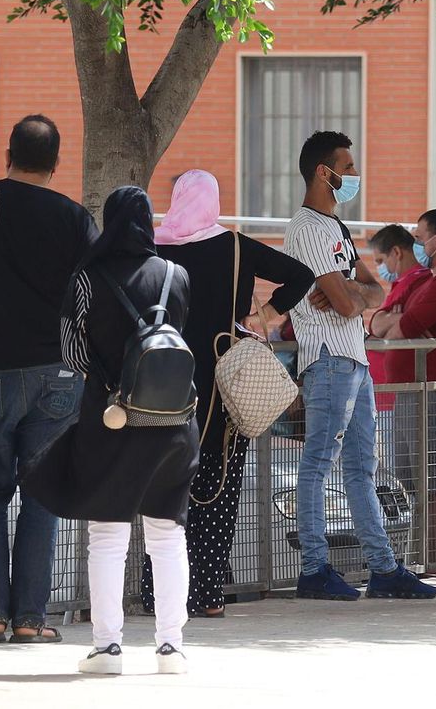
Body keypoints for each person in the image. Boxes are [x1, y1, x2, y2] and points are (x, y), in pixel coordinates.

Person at [23, 186, 198, 675]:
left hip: (111, 419)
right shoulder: (176, 275)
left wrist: (107, 380)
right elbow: (179, 336)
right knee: (167, 536)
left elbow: (72, 350)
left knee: (107, 536)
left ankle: (107, 648)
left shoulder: (86, 278)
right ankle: (171, 648)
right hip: (173, 421)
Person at [0, 115, 97, 645]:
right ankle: (31, 619)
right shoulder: (74, 218)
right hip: (58, 373)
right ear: (56, 161)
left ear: (7, 152)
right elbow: (92, 294)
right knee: (42, 495)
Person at [137, 169, 315, 618]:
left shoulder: (156, 247)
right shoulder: (234, 246)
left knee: (164, 495)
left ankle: (158, 596)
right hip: (224, 386)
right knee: (217, 492)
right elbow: (301, 275)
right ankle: (207, 595)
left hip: (164, 385)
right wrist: (267, 316)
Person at [283, 131, 436, 600]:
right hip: (328, 360)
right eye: (347, 168)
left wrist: (348, 290)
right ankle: (314, 568)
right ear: (322, 173)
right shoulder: (307, 228)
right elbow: (352, 306)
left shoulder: (339, 229)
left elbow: (375, 293)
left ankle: (384, 569)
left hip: (354, 360)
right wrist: (350, 295)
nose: (354, 176)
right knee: (318, 466)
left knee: (361, 468)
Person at [370, 209, 436, 566]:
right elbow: (378, 322)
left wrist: (396, 321)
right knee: (416, 484)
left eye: (419, 238)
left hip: (431, 393)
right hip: (407, 393)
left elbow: (400, 328)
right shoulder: (425, 280)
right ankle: (428, 562)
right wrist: (394, 321)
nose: (416, 244)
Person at [365, 223, 432, 474]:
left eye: (381, 260)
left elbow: (387, 329)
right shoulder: (401, 284)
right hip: (386, 394)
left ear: (396, 252)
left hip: (396, 394)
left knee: (401, 472)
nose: (380, 268)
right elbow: (377, 323)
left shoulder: (419, 281)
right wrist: (389, 320)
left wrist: (387, 322)